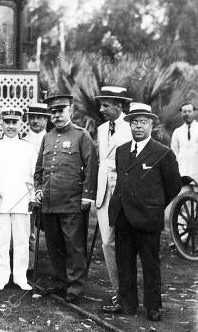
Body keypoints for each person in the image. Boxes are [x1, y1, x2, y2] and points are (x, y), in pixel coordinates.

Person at [103, 103, 181, 322]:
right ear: (129, 125)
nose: (138, 126)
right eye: (134, 122)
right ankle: (127, 304)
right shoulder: (121, 150)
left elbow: (173, 186)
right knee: (124, 262)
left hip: (148, 219)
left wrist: (154, 206)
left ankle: (153, 306)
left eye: (143, 122)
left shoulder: (163, 153)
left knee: (150, 264)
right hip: (123, 217)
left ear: (152, 124)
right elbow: (122, 181)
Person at [33, 94, 98, 304]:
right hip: (50, 203)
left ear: (70, 111)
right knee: (54, 246)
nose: (57, 115)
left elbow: (91, 168)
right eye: (53, 112)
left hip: (72, 202)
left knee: (74, 246)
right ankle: (62, 282)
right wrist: (38, 190)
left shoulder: (81, 136)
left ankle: (75, 288)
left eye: (61, 111)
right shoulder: (48, 137)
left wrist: (87, 197)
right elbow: (39, 170)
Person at [0, 107, 36, 291]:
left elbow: (34, 175)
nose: (11, 126)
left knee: (21, 240)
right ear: (2, 123)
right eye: (7, 122)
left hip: (22, 202)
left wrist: (30, 195)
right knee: (0, 241)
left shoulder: (29, 149)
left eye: (15, 122)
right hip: (0, 201)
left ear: (21, 124)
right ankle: (1, 276)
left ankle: (20, 277)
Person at [94, 86, 132, 306]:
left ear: (119, 105)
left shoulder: (132, 127)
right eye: (101, 105)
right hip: (103, 194)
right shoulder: (100, 129)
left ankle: (128, 293)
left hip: (125, 193)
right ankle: (118, 291)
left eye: (106, 105)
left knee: (126, 243)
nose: (101, 109)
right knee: (107, 243)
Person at [22, 102, 50, 276]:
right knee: (28, 230)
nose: (35, 121)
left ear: (46, 120)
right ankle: (28, 267)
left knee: (53, 230)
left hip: (50, 189)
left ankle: (57, 270)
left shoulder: (53, 139)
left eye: (39, 117)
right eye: (32, 117)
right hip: (29, 189)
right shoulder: (22, 141)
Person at [170, 103, 198, 180]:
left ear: (194, 112)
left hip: (196, 169)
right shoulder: (177, 131)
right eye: (184, 111)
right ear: (181, 113)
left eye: (189, 111)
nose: (187, 114)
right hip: (182, 171)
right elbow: (174, 152)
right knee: (184, 191)